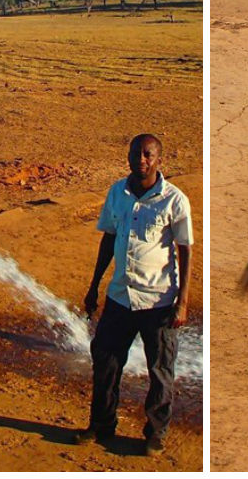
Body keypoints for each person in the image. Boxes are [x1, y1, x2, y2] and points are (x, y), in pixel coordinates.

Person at [74, 133, 193, 457]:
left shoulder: (174, 200)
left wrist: (182, 303)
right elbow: (108, 239)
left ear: (158, 159)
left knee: (161, 371)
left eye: (147, 154)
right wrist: (94, 285)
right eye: (135, 153)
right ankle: (101, 425)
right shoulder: (117, 192)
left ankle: (156, 434)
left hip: (159, 302)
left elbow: (185, 251)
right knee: (106, 362)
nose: (140, 159)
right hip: (120, 296)